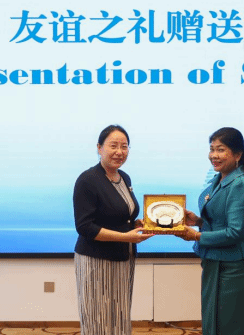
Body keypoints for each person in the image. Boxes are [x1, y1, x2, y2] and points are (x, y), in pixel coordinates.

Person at [177, 127, 244, 335]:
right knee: (213, 325)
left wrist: (196, 236)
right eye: (212, 149)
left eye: (220, 150)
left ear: (238, 155)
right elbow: (220, 221)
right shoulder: (219, 179)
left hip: (234, 268)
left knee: (230, 328)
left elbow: (235, 232)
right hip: (215, 263)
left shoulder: (242, 183)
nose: (213, 155)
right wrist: (198, 221)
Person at [73, 124, 153, 335]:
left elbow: (121, 215)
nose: (119, 152)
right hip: (96, 261)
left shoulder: (124, 177)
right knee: (98, 320)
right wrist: (125, 237)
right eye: (113, 146)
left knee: (119, 316)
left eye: (124, 146)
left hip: (123, 258)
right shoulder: (87, 180)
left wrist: (135, 225)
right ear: (99, 148)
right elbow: (85, 227)